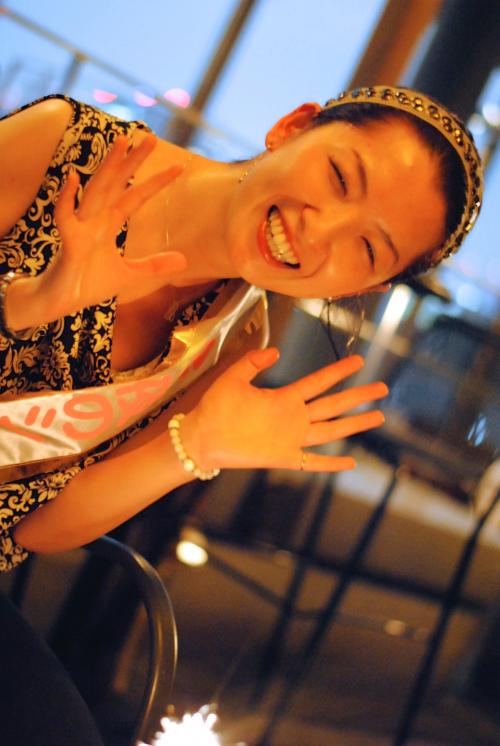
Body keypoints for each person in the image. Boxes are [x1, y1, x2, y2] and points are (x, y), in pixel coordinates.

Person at [0, 85, 482, 574]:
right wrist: (22, 304)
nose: (318, 233)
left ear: (365, 288)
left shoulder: (232, 343)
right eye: (339, 177)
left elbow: (37, 529)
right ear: (292, 128)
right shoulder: (70, 148)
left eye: (368, 248)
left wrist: (193, 447)